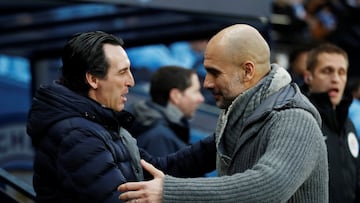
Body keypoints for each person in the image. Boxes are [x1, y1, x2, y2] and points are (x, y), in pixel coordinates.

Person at [118, 24, 328, 202]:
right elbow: (176, 165)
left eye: (215, 73)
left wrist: (169, 192)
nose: (206, 83)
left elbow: (269, 187)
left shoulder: (294, 118)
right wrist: (113, 138)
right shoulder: (241, 116)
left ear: (248, 71)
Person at [26, 31, 144, 202]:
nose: (131, 81)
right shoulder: (77, 135)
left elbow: (155, 167)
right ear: (93, 79)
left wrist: (198, 151)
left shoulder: (97, 124)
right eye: (122, 72)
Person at [302, 43, 360, 202]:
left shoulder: (348, 124)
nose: (335, 79)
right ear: (308, 77)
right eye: (327, 71)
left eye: (342, 72)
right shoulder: (299, 120)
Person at [129, 65, 204, 156]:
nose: (201, 98)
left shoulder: (155, 126)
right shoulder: (160, 138)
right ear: (176, 95)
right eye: (196, 91)